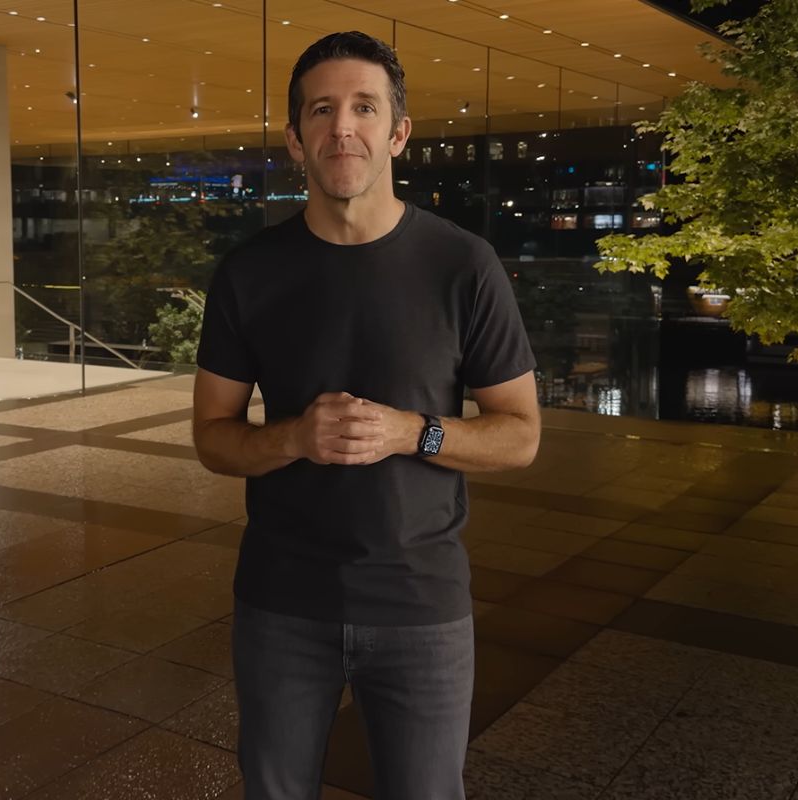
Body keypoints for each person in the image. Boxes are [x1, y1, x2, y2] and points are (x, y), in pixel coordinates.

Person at [192, 30, 540, 800]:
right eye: (321, 110)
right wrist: (293, 437)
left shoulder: (463, 265)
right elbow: (212, 437)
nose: (341, 127)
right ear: (295, 139)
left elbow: (520, 434)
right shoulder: (250, 273)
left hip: (422, 604)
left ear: (398, 133)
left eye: (364, 108)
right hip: (281, 602)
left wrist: (413, 431)